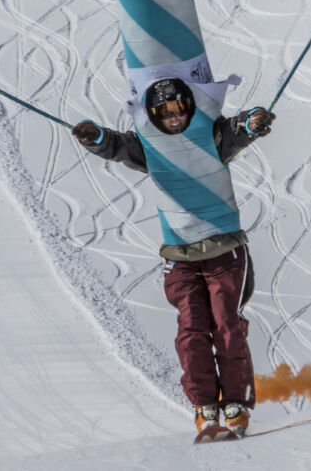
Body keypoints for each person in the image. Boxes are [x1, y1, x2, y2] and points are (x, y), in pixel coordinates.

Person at [73, 78, 275, 436]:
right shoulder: (149, 146)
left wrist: (253, 122)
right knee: (191, 329)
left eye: (179, 108)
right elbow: (117, 145)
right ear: (154, 114)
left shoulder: (209, 136)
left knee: (225, 324)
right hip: (179, 255)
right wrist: (94, 137)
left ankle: (235, 404)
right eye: (165, 112)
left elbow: (237, 130)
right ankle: (205, 406)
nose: (173, 117)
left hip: (223, 249)